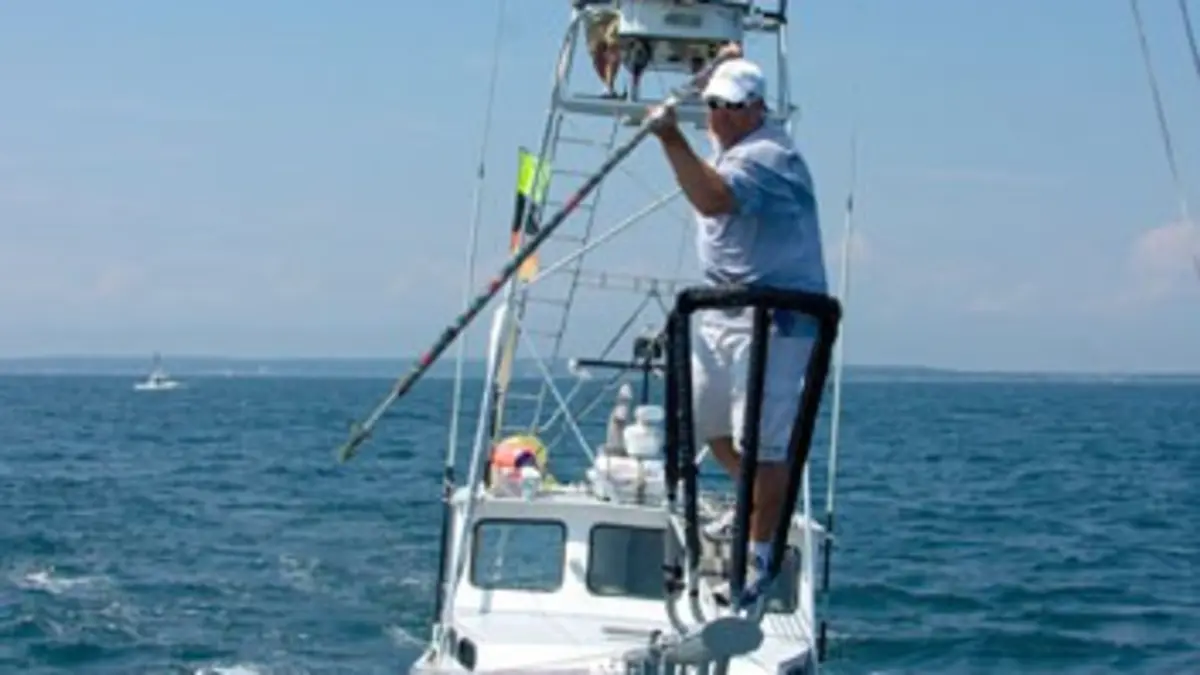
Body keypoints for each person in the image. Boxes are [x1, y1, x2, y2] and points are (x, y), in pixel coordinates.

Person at [647, 44, 828, 598]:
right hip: (721, 314)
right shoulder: (730, 138)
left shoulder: (769, 156)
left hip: (776, 323)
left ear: (757, 109)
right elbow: (712, 130)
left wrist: (668, 136)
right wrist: (718, 63)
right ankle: (756, 498)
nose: (718, 117)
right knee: (707, 424)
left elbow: (712, 198)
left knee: (763, 444)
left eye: (731, 107)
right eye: (713, 106)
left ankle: (758, 557)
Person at [586, 8, 622, 98]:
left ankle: (609, 85)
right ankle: (608, 86)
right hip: (594, 17)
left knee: (613, 45)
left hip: (617, 14)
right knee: (596, 52)